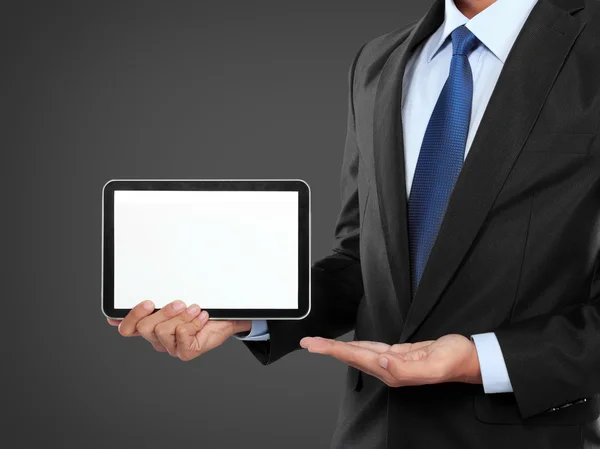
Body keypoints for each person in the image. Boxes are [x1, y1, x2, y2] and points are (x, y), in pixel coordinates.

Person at [108, 0, 600, 447]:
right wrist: (245, 312)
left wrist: (477, 360)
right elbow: (360, 260)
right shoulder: (378, 61)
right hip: (371, 432)